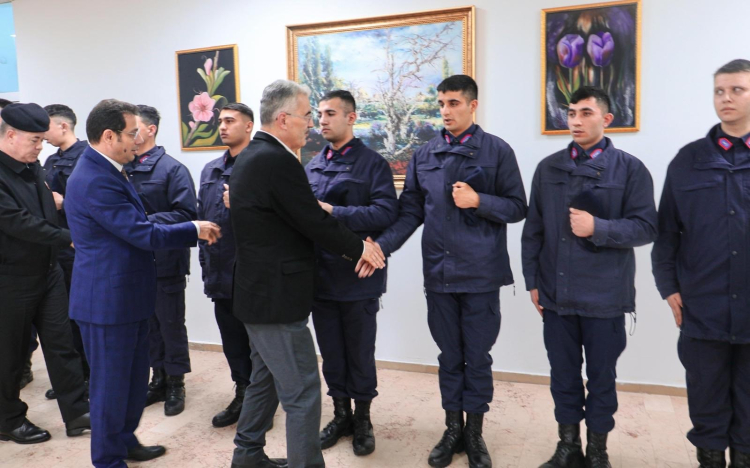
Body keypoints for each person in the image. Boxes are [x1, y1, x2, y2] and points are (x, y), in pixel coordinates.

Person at [371, 74, 528, 468]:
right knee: (449, 355)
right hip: (439, 273)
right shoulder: (424, 155)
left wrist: (479, 201)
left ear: (473, 105)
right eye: (441, 103)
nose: (445, 111)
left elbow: (517, 207)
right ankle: (452, 428)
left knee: (477, 356)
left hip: (481, 274)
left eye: (454, 103)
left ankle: (474, 433)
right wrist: (381, 246)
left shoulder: (497, 151)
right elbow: (410, 212)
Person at [228, 79, 385, 468]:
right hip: (276, 300)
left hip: (258, 295)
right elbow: (312, 220)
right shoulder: (276, 160)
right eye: (306, 115)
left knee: (265, 379)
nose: (311, 123)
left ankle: (247, 456)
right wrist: (359, 247)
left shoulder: (253, 155)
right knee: (303, 390)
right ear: (283, 119)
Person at [65, 99, 221, 468]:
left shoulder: (110, 169)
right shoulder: (94, 178)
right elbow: (140, 233)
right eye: (132, 133)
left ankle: (125, 440)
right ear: (109, 136)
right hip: (106, 303)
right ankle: (108, 459)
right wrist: (193, 228)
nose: (139, 139)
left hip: (128, 296)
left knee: (134, 383)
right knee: (111, 388)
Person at [522, 86, 657, 468]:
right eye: (571, 113)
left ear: (606, 119)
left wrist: (598, 227)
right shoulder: (548, 168)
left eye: (586, 113)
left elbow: (647, 227)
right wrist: (532, 280)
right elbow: (533, 231)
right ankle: (568, 447)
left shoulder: (630, 169)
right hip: (557, 293)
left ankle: (597, 450)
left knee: (601, 378)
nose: (576, 121)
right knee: (563, 376)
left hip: (605, 297)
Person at [652, 59, 750, 468]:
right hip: (702, 305)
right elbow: (666, 232)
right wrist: (668, 287)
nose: (726, 98)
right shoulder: (688, 160)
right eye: (719, 91)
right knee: (706, 397)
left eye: (737, 90)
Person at [304, 89, 397, 456]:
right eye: (319, 114)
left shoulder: (373, 164)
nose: (322, 120)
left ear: (351, 117)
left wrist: (335, 212)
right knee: (331, 354)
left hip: (358, 276)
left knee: (359, 353)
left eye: (330, 113)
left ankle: (362, 420)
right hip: (321, 277)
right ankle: (340, 415)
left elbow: (385, 213)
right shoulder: (311, 165)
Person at [0, 103, 90, 444]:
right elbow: (18, 222)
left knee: (62, 344)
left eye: (42, 139)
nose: (41, 146)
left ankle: (77, 413)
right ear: (11, 135)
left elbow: (46, 211)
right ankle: (8, 419)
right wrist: (70, 238)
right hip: (11, 278)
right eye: (35, 140)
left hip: (48, 272)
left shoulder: (32, 166)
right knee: (11, 353)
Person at [127, 104, 198, 417]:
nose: (131, 133)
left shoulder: (172, 169)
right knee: (147, 326)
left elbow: (187, 214)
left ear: (151, 129)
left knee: (170, 324)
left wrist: (142, 221)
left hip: (167, 260)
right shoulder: (123, 167)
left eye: (135, 127)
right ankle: (158, 379)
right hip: (134, 260)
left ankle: (176, 383)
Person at [198, 102, 255, 428]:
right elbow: (202, 219)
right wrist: (205, 264)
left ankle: (261, 402)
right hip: (219, 273)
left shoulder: (259, 167)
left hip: (250, 275)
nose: (222, 126)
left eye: (230, 121)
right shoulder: (210, 170)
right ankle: (242, 394)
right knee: (232, 342)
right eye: (220, 121)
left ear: (248, 126)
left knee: (258, 345)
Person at [41, 103, 90, 400]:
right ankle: (74, 377)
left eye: (45, 127)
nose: (42, 134)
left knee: (83, 316)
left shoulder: (87, 157)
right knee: (63, 320)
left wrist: (64, 202)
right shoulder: (49, 161)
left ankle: (92, 375)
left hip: (79, 247)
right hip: (55, 248)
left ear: (63, 126)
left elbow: (95, 201)